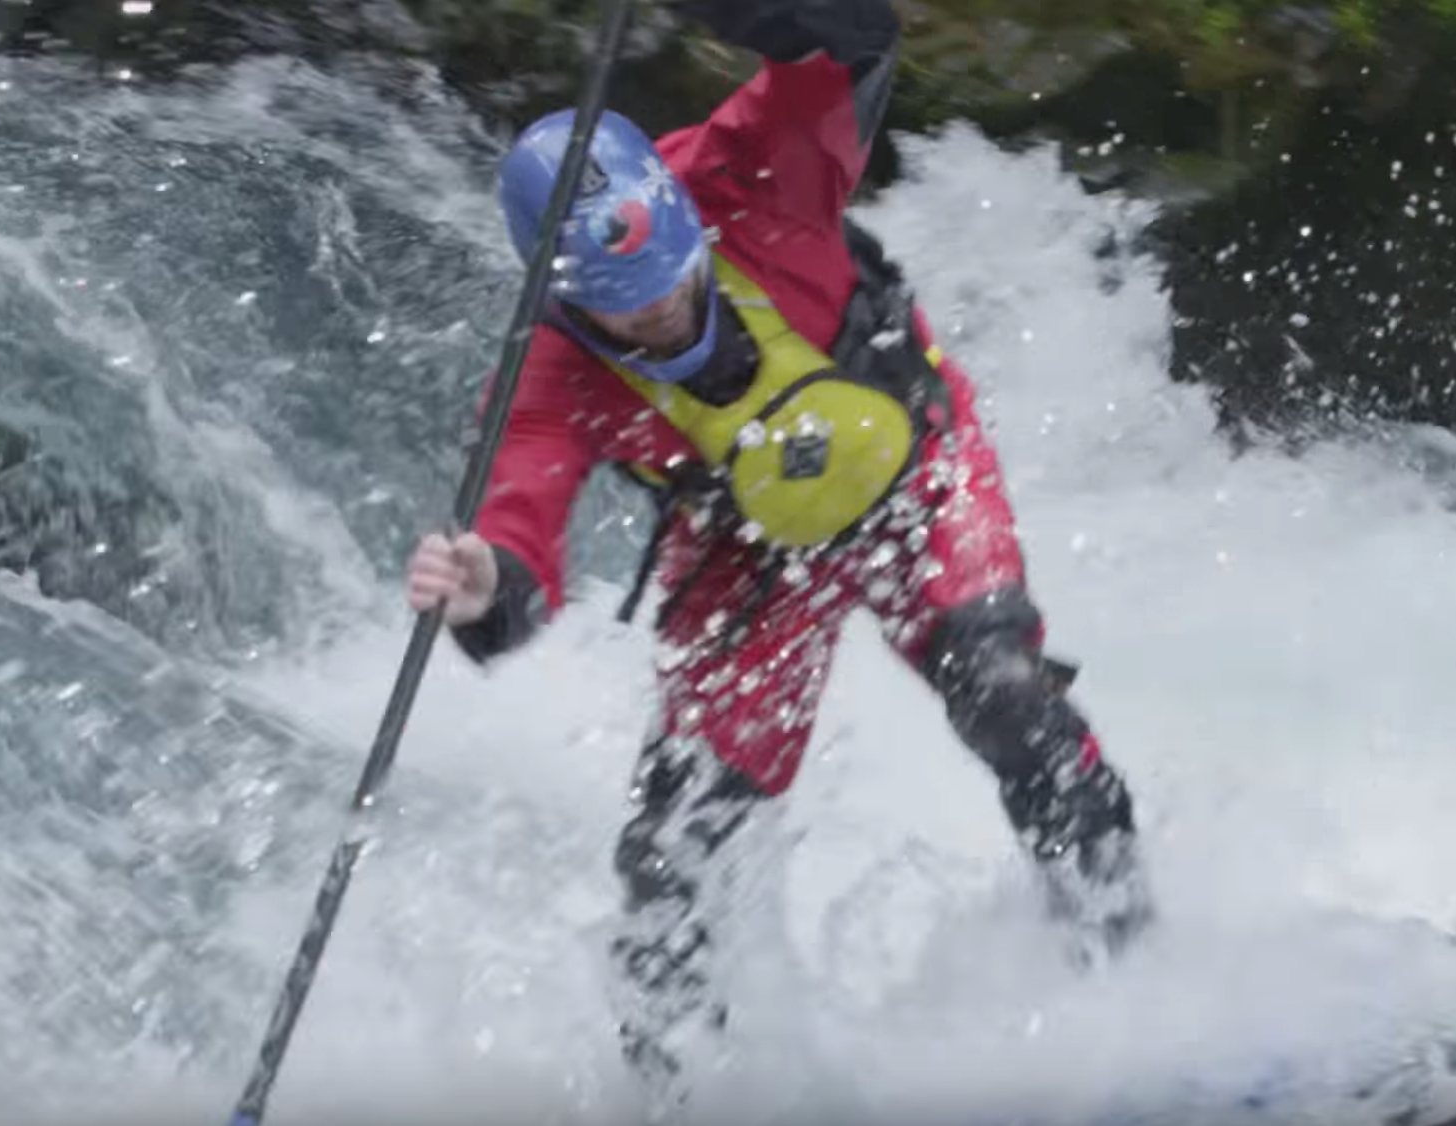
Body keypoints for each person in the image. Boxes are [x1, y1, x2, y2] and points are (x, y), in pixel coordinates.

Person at [404, 0, 1154, 1109]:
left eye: (671, 272)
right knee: (671, 851)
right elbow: (520, 535)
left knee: (1002, 693)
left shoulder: (749, 166)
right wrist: (483, 592)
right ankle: (678, 1094)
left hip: (914, 472)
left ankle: (1135, 979)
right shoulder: (548, 371)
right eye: (625, 309)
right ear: (564, 295)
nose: (661, 308)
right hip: (749, 557)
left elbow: (850, 37)